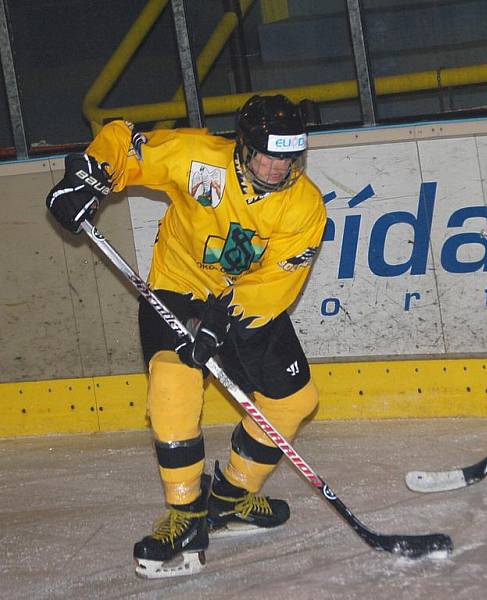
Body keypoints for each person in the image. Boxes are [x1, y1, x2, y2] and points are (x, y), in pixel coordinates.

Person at [45, 95, 327, 578]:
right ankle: (187, 513)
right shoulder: (197, 157)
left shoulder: (305, 206)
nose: (278, 167)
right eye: (268, 154)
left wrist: (226, 316)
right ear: (243, 147)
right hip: (179, 286)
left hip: (245, 303)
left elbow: (276, 282)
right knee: (173, 384)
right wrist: (88, 177)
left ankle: (233, 497)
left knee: (295, 402)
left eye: (289, 156)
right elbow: (126, 143)